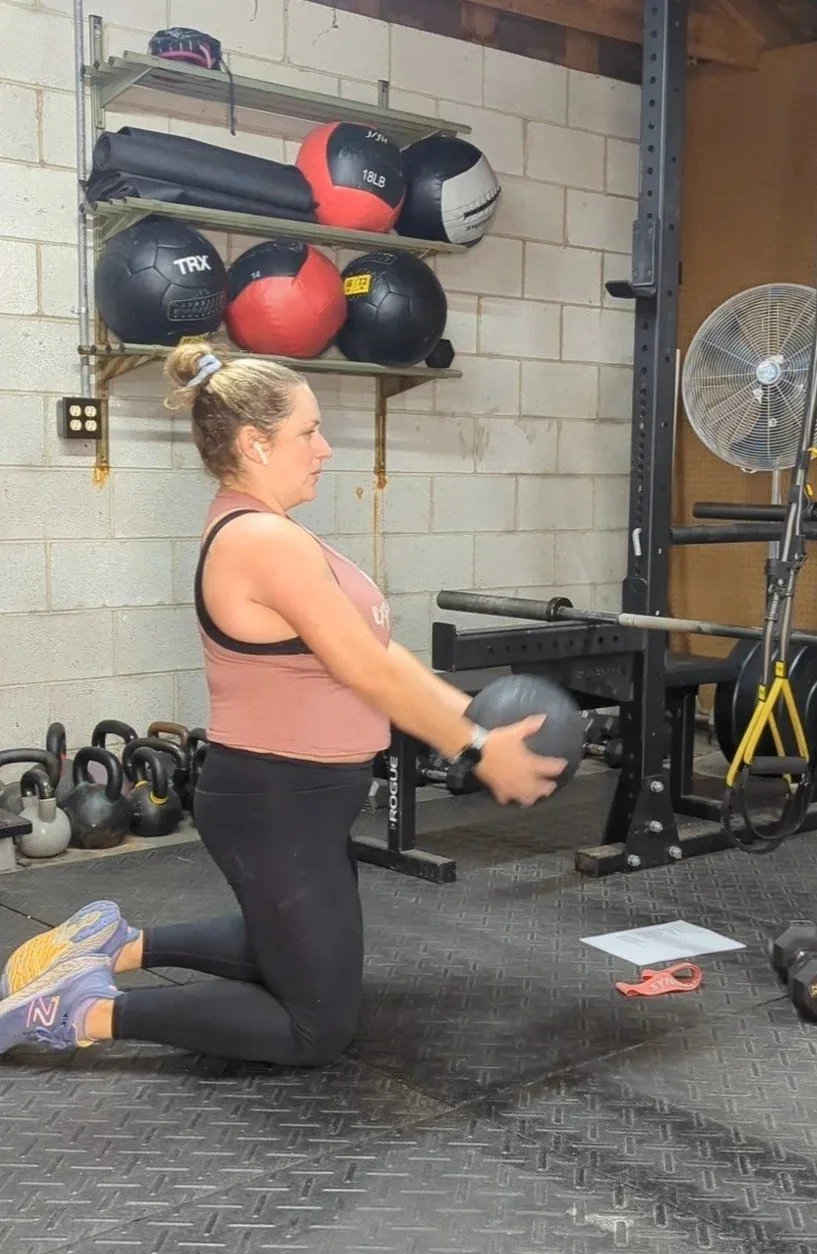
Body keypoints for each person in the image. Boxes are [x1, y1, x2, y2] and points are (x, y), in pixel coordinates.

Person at [0, 344, 567, 1065]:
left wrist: (472, 720)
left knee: (300, 954)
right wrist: (479, 750)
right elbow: (366, 670)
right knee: (315, 1029)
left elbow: (382, 655)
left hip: (297, 799)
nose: (324, 448)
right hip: (276, 800)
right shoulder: (262, 540)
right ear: (254, 443)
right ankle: (80, 1011)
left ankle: (116, 945)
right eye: (309, 432)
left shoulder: (273, 530)